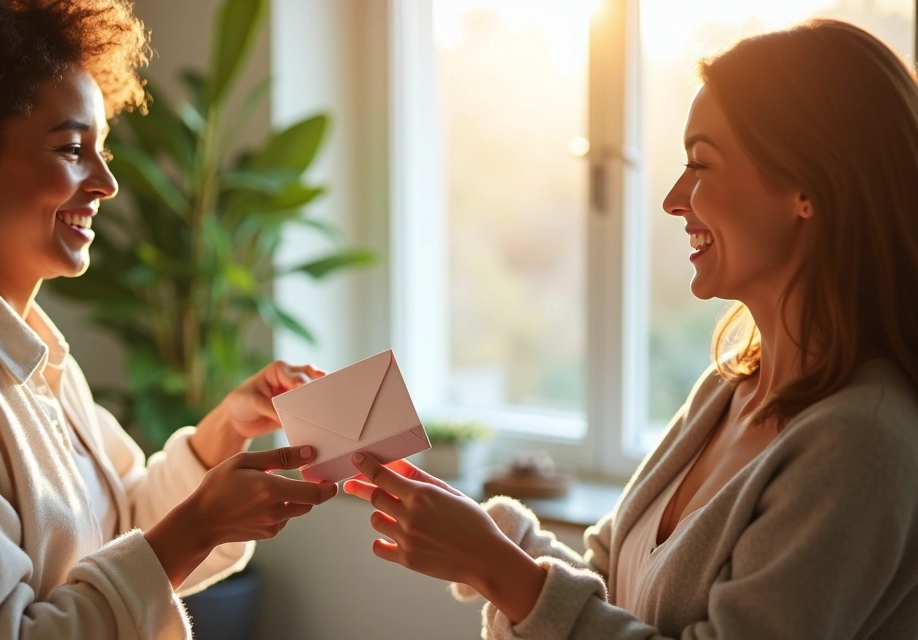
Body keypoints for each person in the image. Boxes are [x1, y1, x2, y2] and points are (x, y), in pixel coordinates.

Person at [0, 1, 337, 637]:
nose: (106, 184)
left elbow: (119, 525)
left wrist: (224, 431)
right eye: (72, 148)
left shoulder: (30, 354)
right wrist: (198, 525)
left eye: (102, 151)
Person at [345, 19, 918, 638]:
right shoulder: (725, 391)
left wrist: (498, 567)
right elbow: (611, 593)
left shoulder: (862, 443)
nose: (674, 198)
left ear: (807, 187)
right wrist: (492, 541)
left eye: (702, 163)